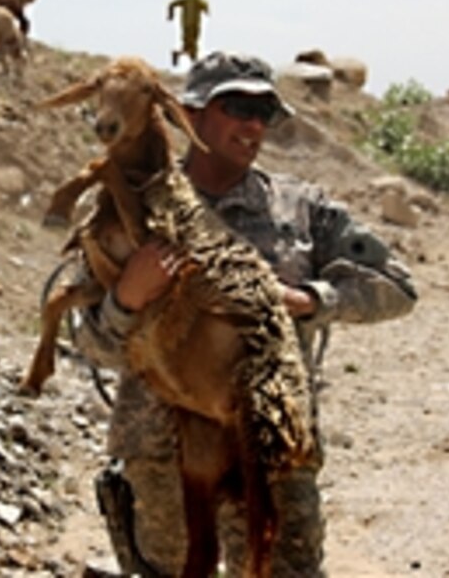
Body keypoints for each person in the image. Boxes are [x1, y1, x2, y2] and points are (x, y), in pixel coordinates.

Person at [72, 51, 417, 577]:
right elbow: (90, 344)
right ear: (190, 114)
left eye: (266, 113)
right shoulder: (127, 208)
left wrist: (313, 301)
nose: (254, 125)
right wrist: (127, 300)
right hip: (164, 458)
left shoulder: (302, 210)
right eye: (237, 106)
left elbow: (398, 287)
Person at [167, 0, 210, 67]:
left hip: (185, 25)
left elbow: (171, 4)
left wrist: (171, 15)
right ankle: (194, 62)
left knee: (188, 44)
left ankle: (182, 55)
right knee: (193, 44)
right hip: (194, 25)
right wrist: (206, 11)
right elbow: (206, 8)